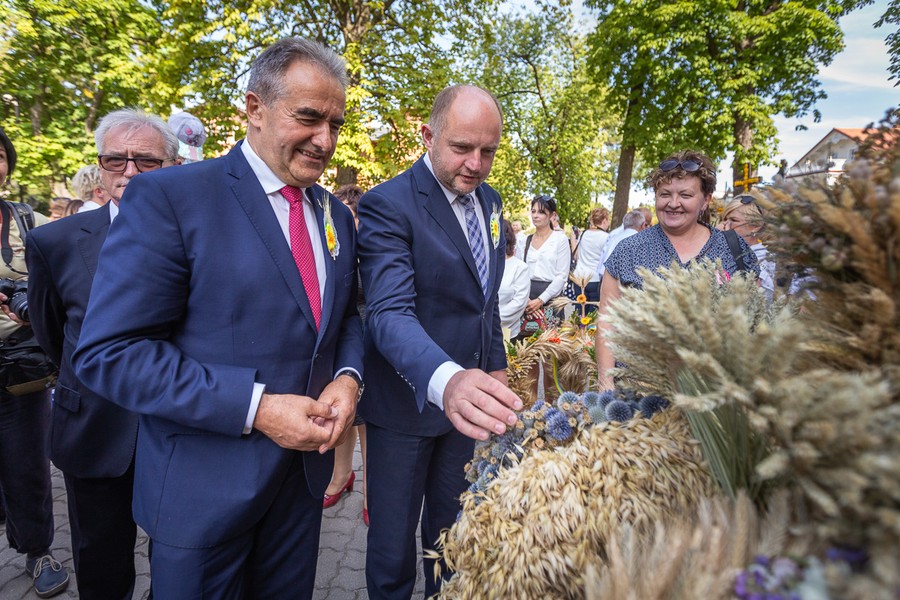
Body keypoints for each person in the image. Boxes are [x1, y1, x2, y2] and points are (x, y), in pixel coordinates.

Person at [71, 38, 364, 599]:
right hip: (203, 495)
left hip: (300, 489)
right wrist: (257, 408)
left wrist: (348, 379)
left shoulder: (334, 216)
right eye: (307, 118)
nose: (324, 140)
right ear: (254, 109)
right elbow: (111, 353)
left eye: (335, 124)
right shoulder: (171, 196)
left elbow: (347, 318)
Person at [358, 84, 522, 599]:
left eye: (488, 151)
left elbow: (485, 300)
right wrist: (447, 381)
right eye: (462, 148)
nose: (476, 164)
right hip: (406, 407)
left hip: (469, 411)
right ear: (428, 136)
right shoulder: (388, 204)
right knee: (391, 546)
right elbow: (388, 313)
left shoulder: (491, 202)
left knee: (452, 536)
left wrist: (496, 368)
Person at [26, 108, 181, 599]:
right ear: (100, 166)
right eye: (116, 161)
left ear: (173, 166)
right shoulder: (54, 241)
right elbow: (55, 334)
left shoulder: (199, 237)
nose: (129, 172)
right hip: (92, 429)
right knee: (101, 567)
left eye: (146, 162)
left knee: (180, 565)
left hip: (178, 432)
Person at [595, 150, 761, 390]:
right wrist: (606, 383)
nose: (673, 203)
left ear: (706, 200)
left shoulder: (733, 248)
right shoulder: (629, 250)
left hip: (716, 394)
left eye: (685, 194)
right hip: (639, 392)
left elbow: (754, 320)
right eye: (665, 194)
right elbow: (607, 320)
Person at [0, 125, 69, 598]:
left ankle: (37, 550)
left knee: (26, 463)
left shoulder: (30, 221)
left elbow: (63, 278)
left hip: (19, 369)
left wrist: (28, 302)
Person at [324, 183, 369, 526]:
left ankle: (372, 490)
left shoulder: (371, 250)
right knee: (340, 417)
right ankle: (341, 476)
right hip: (335, 341)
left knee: (366, 418)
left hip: (368, 339)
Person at [720, 194, 777, 301]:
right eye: (725, 219)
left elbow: (752, 298)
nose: (725, 224)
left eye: (734, 220)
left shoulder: (764, 258)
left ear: (755, 227)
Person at [523, 195, 570, 320]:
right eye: (533, 211)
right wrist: (526, 300)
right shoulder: (525, 240)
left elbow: (561, 276)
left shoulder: (560, 239)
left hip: (550, 298)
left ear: (552, 215)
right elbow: (519, 271)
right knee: (524, 338)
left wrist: (540, 300)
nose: (535, 215)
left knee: (550, 338)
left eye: (541, 212)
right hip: (526, 299)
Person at [499, 220, 530, 339]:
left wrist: (490, 319)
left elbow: (518, 303)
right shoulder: (483, 265)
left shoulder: (519, 267)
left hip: (507, 333)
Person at [572, 206, 610, 302]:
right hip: (596, 280)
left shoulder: (584, 234)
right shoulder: (607, 237)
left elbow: (576, 256)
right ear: (604, 220)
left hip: (579, 279)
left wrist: (573, 239)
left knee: (579, 313)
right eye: (608, 219)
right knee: (593, 315)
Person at [597, 209, 647, 279]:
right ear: (643, 225)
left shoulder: (612, 239)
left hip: (604, 282)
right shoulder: (642, 243)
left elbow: (601, 268)